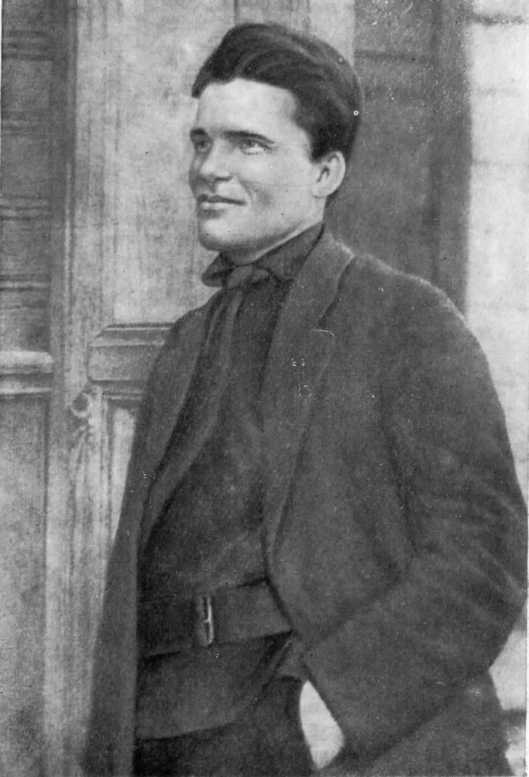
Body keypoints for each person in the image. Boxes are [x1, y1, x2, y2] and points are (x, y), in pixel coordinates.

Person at [83, 22, 526, 777]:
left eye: (248, 144)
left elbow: (486, 555)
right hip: (167, 733)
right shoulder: (184, 345)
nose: (209, 169)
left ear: (326, 171)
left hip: (315, 737)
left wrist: (334, 707)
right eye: (202, 142)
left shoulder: (405, 320)